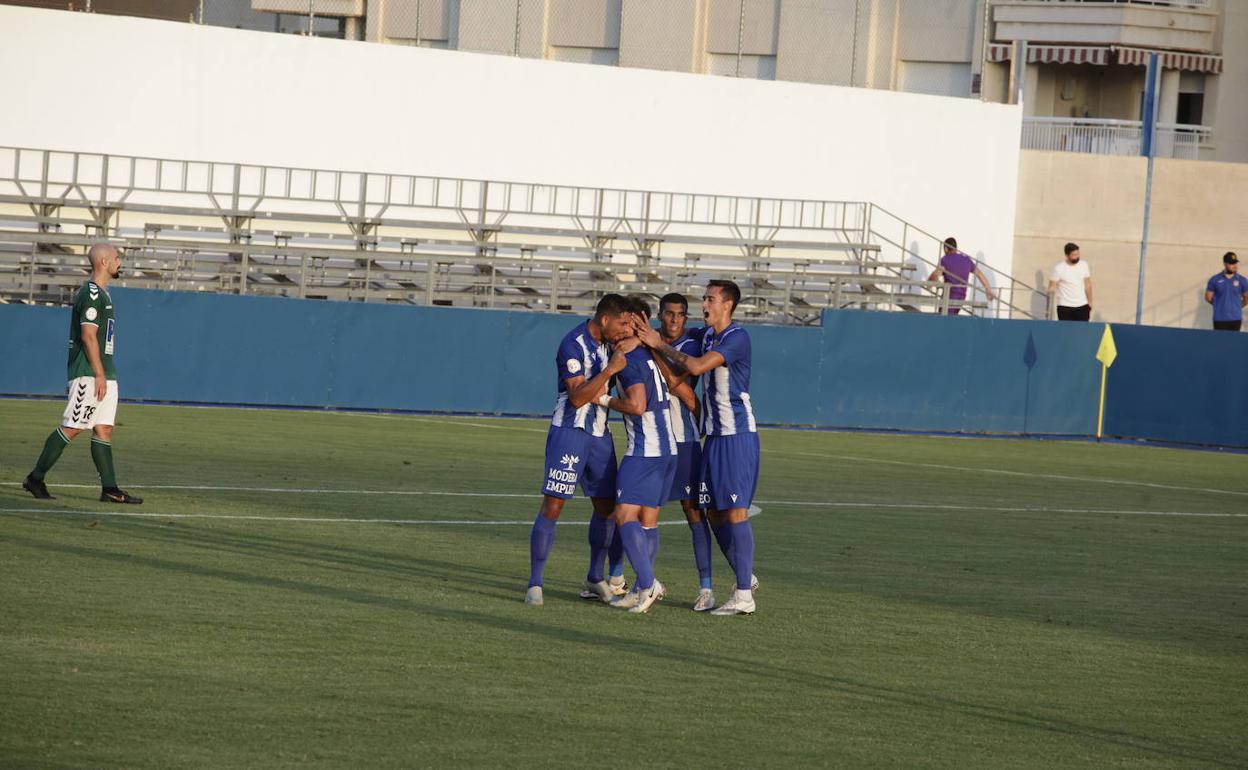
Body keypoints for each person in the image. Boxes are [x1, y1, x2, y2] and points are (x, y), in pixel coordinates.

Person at [633, 280, 760, 616]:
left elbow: (695, 367)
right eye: (704, 297)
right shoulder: (706, 336)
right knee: (715, 512)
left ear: (728, 305)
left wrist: (657, 343)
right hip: (714, 437)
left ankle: (744, 593)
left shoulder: (736, 337)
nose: (704, 302)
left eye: (710, 298)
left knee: (735, 513)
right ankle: (743, 575)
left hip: (736, 435)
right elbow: (676, 336)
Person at [526, 293, 638, 606]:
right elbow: (577, 397)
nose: (624, 329)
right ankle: (535, 584)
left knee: (608, 510)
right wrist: (609, 370)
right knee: (553, 506)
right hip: (570, 433)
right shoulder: (572, 345)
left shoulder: (612, 344)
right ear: (605, 319)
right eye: (622, 323)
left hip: (600, 436)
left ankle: (595, 576)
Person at [22, 243, 143, 504]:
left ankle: (110, 489)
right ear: (103, 262)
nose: (119, 263)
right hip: (88, 373)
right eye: (117, 258)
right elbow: (88, 337)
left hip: (104, 373)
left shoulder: (104, 294)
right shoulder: (91, 294)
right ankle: (35, 478)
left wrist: (105, 374)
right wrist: (98, 374)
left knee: (104, 429)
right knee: (74, 426)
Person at [600, 296, 680, 614]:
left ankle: (648, 583)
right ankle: (639, 587)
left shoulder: (630, 357)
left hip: (646, 448)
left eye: (629, 320)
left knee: (622, 515)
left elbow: (636, 405)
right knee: (647, 521)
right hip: (666, 447)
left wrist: (604, 400)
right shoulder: (647, 351)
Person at [655, 292, 718, 611]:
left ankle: (706, 588)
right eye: (669, 313)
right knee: (635, 511)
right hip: (649, 440)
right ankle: (629, 581)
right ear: (660, 315)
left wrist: (652, 347)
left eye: (681, 314)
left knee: (694, 512)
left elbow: (680, 387)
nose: (675, 319)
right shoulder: (644, 342)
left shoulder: (692, 346)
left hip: (684, 440)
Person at [927, 237, 995, 315]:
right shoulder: (966, 259)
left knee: (944, 321)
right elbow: (980, 274)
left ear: (946, 248)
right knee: (952, 320)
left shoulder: (945, 260)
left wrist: (929, 282)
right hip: (961, 297)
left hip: (949, 297)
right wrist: (988, 290)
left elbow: (936, 274)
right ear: (955, 248)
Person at [1048, 242, 1093, 321]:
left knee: (1082, 331)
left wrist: (1090, 302)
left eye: (1078, 254)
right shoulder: (1059, 268)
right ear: (1067, 255)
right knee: (1066, 332)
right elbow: (1052, 285)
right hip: (1065, 307)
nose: (1077, 257)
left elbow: (1088, 285)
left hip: (1082, 306)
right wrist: (1051, 289)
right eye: (1074, 255)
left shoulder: (1084, 265)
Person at [1204, 252, 1247, 332]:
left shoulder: (1242, 280)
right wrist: (1219, 304)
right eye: (1231, 263)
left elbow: (1246, 298)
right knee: (1219, 343)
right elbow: (1208, 297)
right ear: (1225, 264)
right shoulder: (1215, 279)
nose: (1234, 266)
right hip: (1220, 319)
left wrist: (1237, 306)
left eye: (1235, 263)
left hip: (1236, 319)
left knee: (1234, 343)